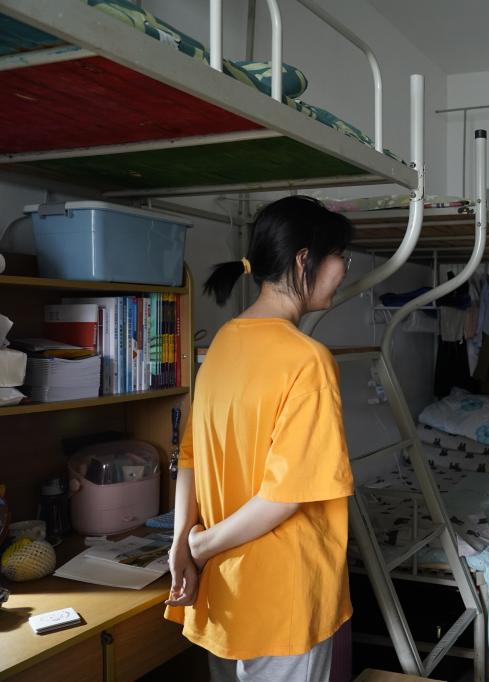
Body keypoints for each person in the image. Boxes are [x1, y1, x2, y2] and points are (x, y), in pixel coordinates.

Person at [164, 196, 356, 682]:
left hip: (224, 585)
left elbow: (190, 456)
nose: (344, 269)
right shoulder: (308, 360)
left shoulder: (222, 343)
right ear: (304, 259)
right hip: (282, 590)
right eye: (340, 256)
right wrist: (196, 546)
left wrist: (181, 543)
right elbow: (284, 497)